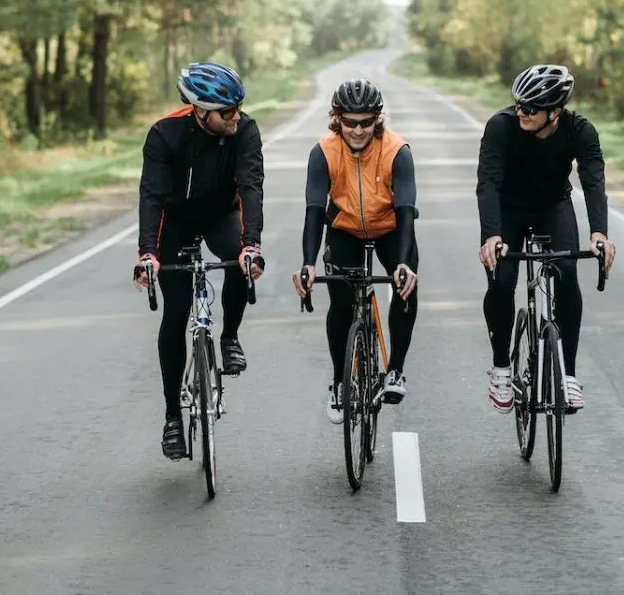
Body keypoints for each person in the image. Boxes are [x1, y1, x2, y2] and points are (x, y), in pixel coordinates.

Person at [133, 61, 265, 460]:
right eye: (227, 112)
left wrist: (252, 245)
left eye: (238, 108)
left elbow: (251, 186)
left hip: (219, 213)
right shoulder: (164, 134)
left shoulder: (245, 131)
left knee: (239, 263)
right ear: (201, 111)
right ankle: (173, 417)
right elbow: (151, 196)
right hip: (174, 220)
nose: (236, 116)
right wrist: (147, 254)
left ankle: (228, 338)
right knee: (175, 314)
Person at [477, 63, 617, 413]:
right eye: (519, 105)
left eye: (530, 108)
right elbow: (488, 183)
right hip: (508, 210)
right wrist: (492, 235)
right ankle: (501, 369)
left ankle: (567, 374)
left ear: (555, 112)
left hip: (552, 206)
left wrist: (599, 233)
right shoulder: (501, 127)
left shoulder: (580, 131)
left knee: (567, 273)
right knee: (501, 280)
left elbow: (593, 181)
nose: (521, 112)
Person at [292, 78, 420, 424]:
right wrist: (307, 263)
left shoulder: (397, 150)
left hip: (390, 229)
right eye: (350, 122)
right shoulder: (324, 151)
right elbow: (314, 210)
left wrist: (404, 263)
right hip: (344, 229)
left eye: (366, 122)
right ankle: (338, 383)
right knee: (342, 305)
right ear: (337, 119)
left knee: (407, 286)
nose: (359, 130)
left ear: (377, 119)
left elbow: (407, 207)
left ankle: (395, 371)